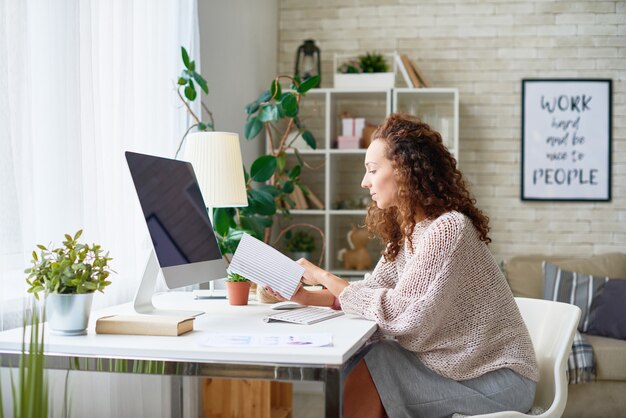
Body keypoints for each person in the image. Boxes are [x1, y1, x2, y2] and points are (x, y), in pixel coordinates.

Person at [266, 113, 538, 418]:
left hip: (496, 379)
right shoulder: (410, 230)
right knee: (374, 358)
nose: (364, 182)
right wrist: (304, 296)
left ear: (404, 171)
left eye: (372, 170)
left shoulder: (448, 228)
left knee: (376, 362)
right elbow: (369, 293)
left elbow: (404, 315)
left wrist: (322, 275)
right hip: (454, 368)